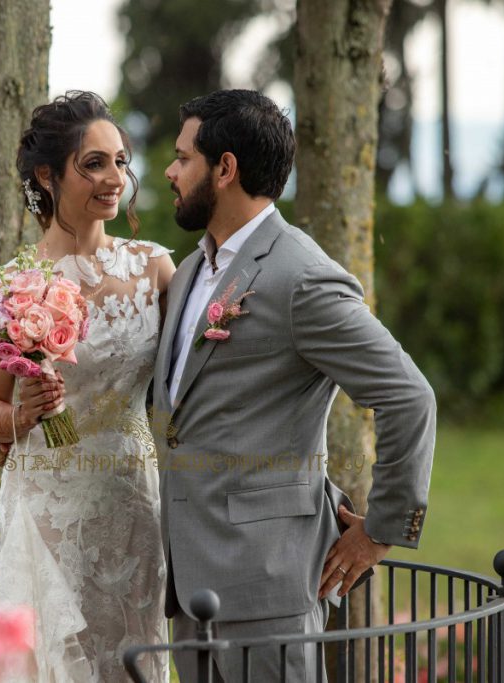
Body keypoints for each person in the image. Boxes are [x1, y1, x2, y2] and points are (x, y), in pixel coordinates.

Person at [153, 89, 436, 681]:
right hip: (189, 584)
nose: (170, 171)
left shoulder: (300, 277)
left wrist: (382, 531)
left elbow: (408, 396)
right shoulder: (187, 274)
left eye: (183, 158)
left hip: (265, 588)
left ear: (224, 168)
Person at [0, 91, 175, 682]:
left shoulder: (155, 267)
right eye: (94, 164)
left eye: (120, 161)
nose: (115, 178)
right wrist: (22, 417)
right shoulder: (13, 287)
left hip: (133, 501)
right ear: (47, 174)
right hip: (49, 507)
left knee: (130, 657)